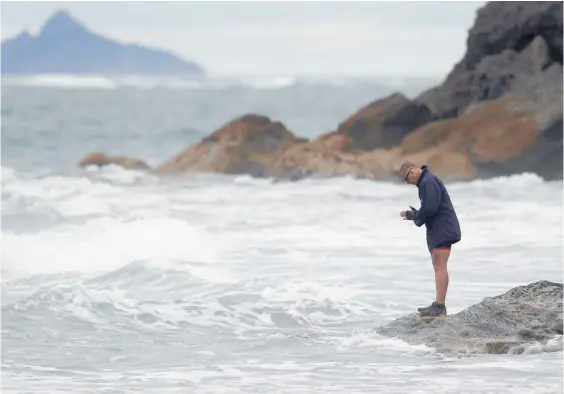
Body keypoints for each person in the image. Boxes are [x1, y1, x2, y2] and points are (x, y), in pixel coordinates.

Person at [399, 162, 461, 317]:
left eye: (407, 178)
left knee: (440, 265)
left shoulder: (428, 181)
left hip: (443, 229)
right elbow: (430, 207)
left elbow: (430, 208)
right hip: (442, 228)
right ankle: (438, 305)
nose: (408, 183)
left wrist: (412, 216)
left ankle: (440, 306)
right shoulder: (427, 181)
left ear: (413, 171)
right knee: (438, 265)